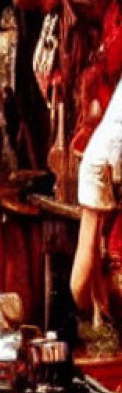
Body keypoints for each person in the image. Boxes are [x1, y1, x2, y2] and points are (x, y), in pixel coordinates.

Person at [72, 76, 122, 313]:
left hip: (101, 164)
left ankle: (97, 318)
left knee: (96, 251)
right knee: (88, 254)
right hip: (100, 166)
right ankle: (91, 319)